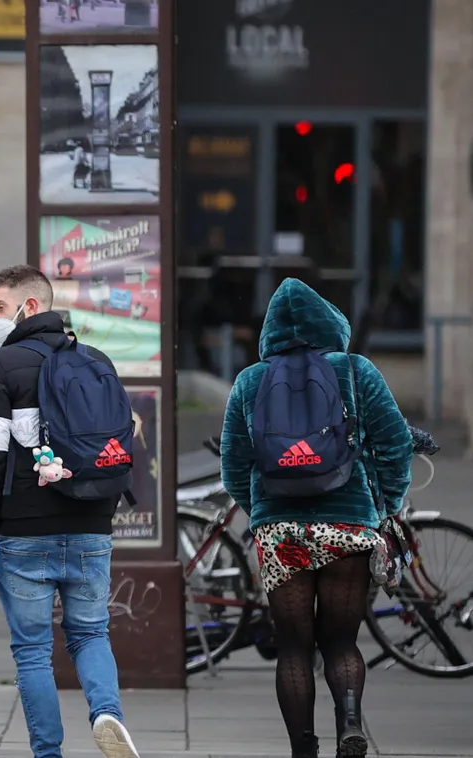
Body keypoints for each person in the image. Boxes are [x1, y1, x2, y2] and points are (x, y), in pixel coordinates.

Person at [220, 278, 412, 758]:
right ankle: (350, 722)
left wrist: (261, 514)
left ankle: (303, 750)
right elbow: (395, 444)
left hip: (281, 534)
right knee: (342, 642)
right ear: (330, 322)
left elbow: (232, 465)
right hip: (348, 526)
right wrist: (384, 506)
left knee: (293, 648)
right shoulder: (356, 372)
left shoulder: (249, 381)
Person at [0, 265, 140, 758]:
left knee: (32, 651)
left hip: (23, 528)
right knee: (89, 634)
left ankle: (48, 753)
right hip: (90, 526)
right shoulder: (96, 360)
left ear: (30, 307)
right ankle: (107, 712)